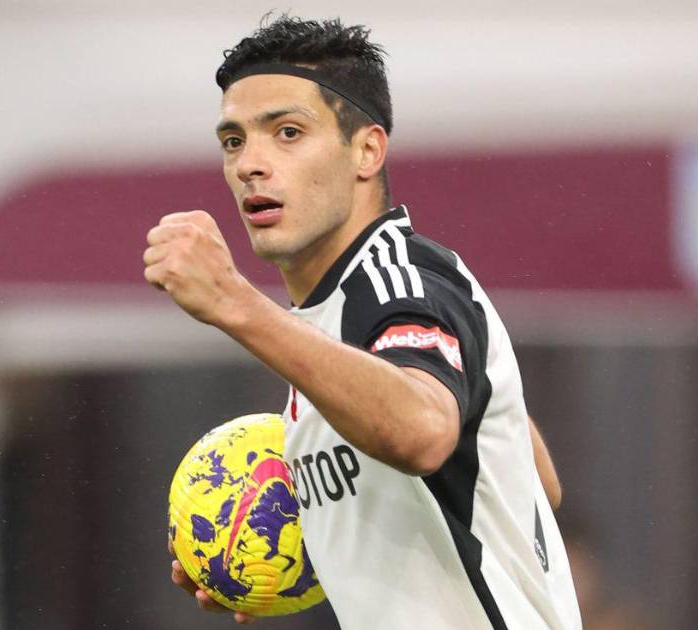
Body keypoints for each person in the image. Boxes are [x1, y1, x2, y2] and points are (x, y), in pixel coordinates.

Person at [143, 14, 580, 629]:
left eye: (288, 132)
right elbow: (534, 484)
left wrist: (233, 301)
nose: (249, 164)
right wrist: (320, 547)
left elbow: (423, 432)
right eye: (234, 141)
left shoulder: (392, 281)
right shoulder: (330, 330)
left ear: (367, 150)